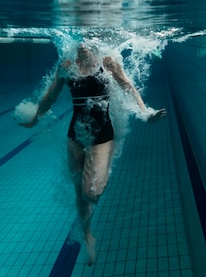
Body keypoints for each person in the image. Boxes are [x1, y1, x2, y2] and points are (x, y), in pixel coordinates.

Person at [20, 43, 166, 265]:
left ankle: (102, 173)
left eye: (88, 41)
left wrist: (146, 113)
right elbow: (50, 96)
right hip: (76, 135)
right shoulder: (68, 65)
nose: (84, 45)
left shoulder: (107, 62)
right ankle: (88, 235)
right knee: (80, 191)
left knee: (91, 193)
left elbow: (128, 87)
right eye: (80, 41)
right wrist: (33, 118)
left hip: (102, 134)